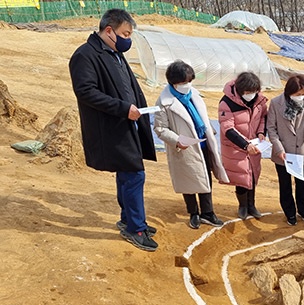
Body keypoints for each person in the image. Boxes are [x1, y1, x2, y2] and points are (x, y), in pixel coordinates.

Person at [68, 9, 158, 251]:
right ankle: (135, 229)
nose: (128, 39)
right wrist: (122, 108)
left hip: (129, 122)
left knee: (127, 172)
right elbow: (86, 91)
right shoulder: (86, 55)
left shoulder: (115, 52)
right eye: (125, 33)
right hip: (111, 126)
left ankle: (129, 218)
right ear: (109, 31)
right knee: (134, 173)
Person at [154, 60, 229, 229]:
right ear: (173, 82)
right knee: (187, 180)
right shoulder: (164, 102)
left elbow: (202, 118)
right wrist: (177, 140)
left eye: (189, 81)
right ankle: (193, 212)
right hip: (183, 147)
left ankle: (208, 213)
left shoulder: (194, 94)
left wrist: (209, 131)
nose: (186, 85)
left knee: (205, 177)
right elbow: (160, 128)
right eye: (182, 82)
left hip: (202, 143)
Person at [267, 75, 304, 226]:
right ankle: (290, 213)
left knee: (301, 184)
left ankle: (303, 211)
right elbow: (271, 129)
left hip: (301, 153)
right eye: (298, 94)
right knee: (285, 185)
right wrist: (279, 149)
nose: (301, 97)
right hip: (283, 154)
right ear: (289, 92)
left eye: (303, 94)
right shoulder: (275, 103)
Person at [218, 72, 269, 220]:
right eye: (247, 92)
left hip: (254, 145)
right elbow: (228, 129)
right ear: (240, 91)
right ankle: (242, 206)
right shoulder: (227, 103)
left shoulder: (259, 100)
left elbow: (262, 118)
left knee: (252, 175)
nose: (251, 95)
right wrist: (245, 145)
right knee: (241, 176)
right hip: (235, 146)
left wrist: (261, 133)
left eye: (254, 92)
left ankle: (252, 205)